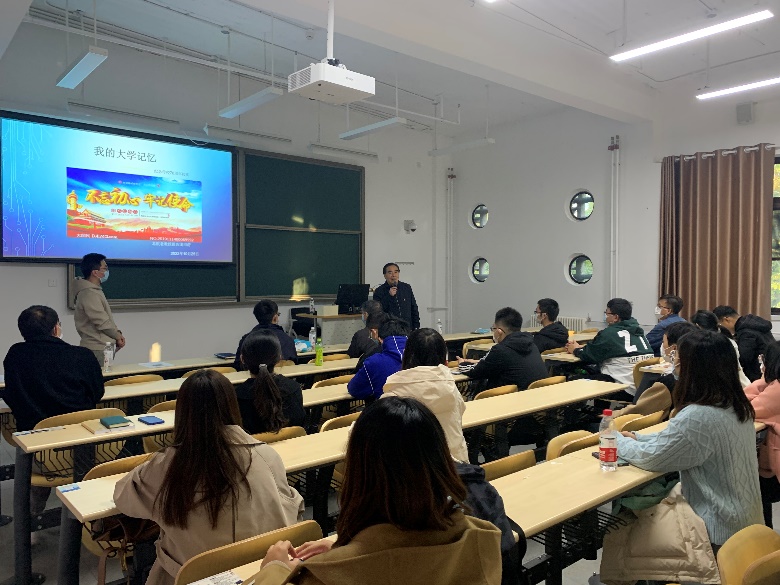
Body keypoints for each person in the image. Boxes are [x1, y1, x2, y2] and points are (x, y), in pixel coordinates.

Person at [253, 397, 503, 585]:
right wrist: (345, 553)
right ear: (442, 462)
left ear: (359, 472)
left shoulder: (321, 578)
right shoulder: (482, 539)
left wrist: (273, 569)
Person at [114, 369, 304, 585]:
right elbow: (292, 508)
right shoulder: (266, 455)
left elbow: (123, 498)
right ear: (231, 405)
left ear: (182, 412)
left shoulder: (167, 465)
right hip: (259, 575)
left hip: (189, 579)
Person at [615, 330, 763, 551]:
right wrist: (639, 437)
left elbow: (654, 458)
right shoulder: (736, 405)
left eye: (677, 358)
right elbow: (680, 440)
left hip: (718, 529)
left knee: (629, 528)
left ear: (692, 368)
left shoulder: (699, 416)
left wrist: (616, 441)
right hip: (745, 519)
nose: (674, 364)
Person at [2, 305, 104, 516]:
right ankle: (89, 517)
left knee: (38, 480)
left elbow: (13, 393)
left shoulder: (15, 355)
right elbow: (97, 393)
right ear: (56, 328)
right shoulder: (83, 356)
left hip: (36, 450)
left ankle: (32, 521)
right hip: (86, 449)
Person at [382, 328, 469, 462]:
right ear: (445, 360)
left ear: (405, 356)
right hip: (457, 467)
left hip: (416, 471)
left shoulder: (394, 394)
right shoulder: (451, 388)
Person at [566, 298, 652, 398]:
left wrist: (575, 350)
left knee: (574, 381)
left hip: (622, 386)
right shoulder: (638, 331)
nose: (605, 317)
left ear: (615, 317)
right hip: (642, 387)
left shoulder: (609, 333)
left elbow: (588, 356)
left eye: (607, 313)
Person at [613, 321, 697, 418]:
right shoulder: (701, 380)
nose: (662, 345)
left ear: (674, 349)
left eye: (663, 342)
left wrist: (610, 415)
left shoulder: (668, 384)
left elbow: (638, 410)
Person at [457, 307, 548, 391]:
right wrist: (477, 361)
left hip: (509, 399)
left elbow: (475, 371)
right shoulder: (531, 344)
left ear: (499, 331)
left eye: (493, 328)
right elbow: (510, 362)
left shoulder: (500, 350)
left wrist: (462, 363)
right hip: (535, 396)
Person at [235, 330, 305, 434]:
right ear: (279, 358)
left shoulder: (236, 396)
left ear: (242, 359)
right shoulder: (294, 388)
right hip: (291, 444)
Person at [743, 340, 780, 527]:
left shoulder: (776, 391)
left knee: (755, 488)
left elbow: (744, 408)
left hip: (774, 469)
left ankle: (765, 535)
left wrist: (764, 380)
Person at [73, 253, 125, 364]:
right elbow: (101, 321)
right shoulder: (89, 293)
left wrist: (117, 334)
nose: (107, 272)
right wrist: (117, 336)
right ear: (95, 272)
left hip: (103, 346)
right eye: (104, 268)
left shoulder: (94, 290)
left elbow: (106, 319)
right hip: (97, 348)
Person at [347, 316, 409, 401]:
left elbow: (354, 389)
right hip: (417, 408)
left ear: (380, 339)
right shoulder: (420, 359)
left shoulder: (374, 362)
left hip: (386, 408)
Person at [690, 309, 751, 388]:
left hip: (728, 386)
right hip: (739, 384)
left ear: (698, 326)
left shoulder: (706, 344)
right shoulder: (728, 340)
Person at [713, 305, 774, 382]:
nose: (721, 329)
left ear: (726, 320)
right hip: (770, 369)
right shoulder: (753, 325)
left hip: (759, 375)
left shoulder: (746, 332)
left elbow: (743, 358)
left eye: (720, 325)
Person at [234, 300, 297, 370]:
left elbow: (238, 366)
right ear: (275, 317)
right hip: (282, 376)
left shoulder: (246, 339)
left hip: (253, 376)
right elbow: (293, 363)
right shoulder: (287, 339)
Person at [372, 262, 420, 329]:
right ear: (385, 275)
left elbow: (413, 308)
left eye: (396, 272)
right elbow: (378, 312)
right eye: (390, 273)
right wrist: (389, 296)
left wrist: (416, 326)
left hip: (407, 327)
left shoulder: (406, 287)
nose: (393, 275)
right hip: (389, 329)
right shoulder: (379, 291)